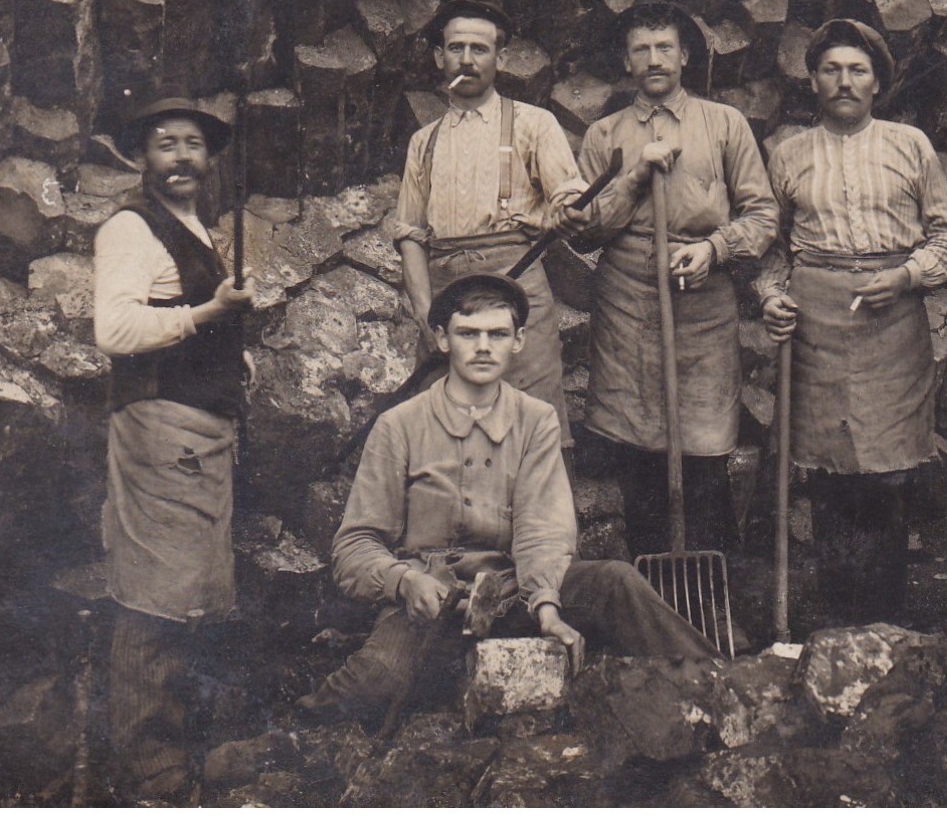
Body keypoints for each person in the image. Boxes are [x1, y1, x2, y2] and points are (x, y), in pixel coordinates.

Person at [297, 274, 716, 721]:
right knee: (377, 679)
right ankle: (287, 738)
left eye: (498, 335)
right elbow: (353, 546)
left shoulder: (535, 420)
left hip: (513, 592)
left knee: (616, 581)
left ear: (518, 341)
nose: (483, 347)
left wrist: (548, 606)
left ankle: (721, 685)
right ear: (442, 339)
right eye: (468, 333)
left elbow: (543, 529)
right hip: (428, 602)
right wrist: (404, 581)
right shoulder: (399, 426)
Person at [755, 20, 947, 624]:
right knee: (829, 476)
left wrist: (905, 277)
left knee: (888, 472)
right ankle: (836, 616)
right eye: (831, 69)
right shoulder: (788, 153)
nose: (844, 82)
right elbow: (773, 248)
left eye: (857, 70)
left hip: (893, 317)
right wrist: (772, 296)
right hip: (817, 319)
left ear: (877, 82)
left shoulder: (910, 146)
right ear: (813, 80)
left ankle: (887, 618)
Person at [570, 1, 777, 556]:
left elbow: (762, 217)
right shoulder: (604, 135)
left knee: (705, 447)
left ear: (685, 55)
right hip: (627, 304)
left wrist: (714, 249)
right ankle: (653, 596)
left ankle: (710, 601)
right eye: (642, 49)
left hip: (703, 302)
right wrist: (635, 177)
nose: (654, 59)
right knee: (640, 451)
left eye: (665, 47)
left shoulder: (724, 124)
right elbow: (586, 229)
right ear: (626, 61)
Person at [93, 97, 254, 802]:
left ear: (210, 158)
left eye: (194, 144)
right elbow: (116, 330)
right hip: (163, 432)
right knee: (158, 600)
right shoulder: (130, 227)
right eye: (166, 144)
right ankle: (150, 774)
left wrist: (233, 353)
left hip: (201, 432)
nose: (182, 157)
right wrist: (210, 314)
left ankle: (177, 759)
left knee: (192, 596)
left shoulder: (195, 228)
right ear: (141, 157)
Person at [389, 0, 586, 444]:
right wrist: (425, 316)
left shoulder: (535, 124)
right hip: (446, 295)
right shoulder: (424, 142)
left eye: (480, 49)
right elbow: (411, 237)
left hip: (517, 288)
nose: (466, 59)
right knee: (446, 433)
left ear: (500, 58)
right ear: (439, 57)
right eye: (455, 47)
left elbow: (569, 195)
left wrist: (569, 209)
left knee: (532, 428)